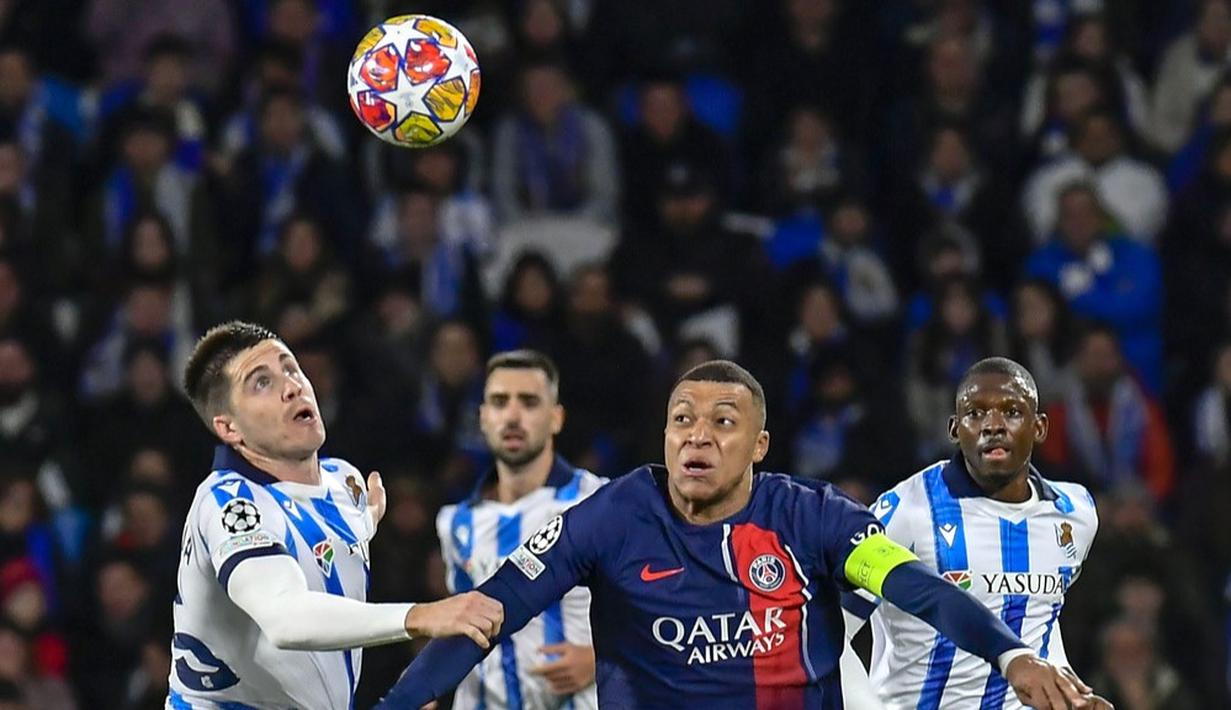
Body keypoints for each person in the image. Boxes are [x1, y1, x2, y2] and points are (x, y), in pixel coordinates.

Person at [379, 360, 1101, 709]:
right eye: (681, 420)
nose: (697, 436)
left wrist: (1011, 659)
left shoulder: (811, 517)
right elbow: (491, 607)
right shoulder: (609, 516)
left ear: (759, 444)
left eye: (722, 422)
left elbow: (916, 586)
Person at [168, 321, 503, 708]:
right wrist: (423, 616)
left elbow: (330, 563)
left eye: (290, 368)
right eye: (261, 383)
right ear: (229, 428)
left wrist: (367, 521)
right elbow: (287, 618)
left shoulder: (343, 482)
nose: (292, 386)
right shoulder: (228, 504)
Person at [842, 357, 1111, 709]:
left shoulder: (1076, 514)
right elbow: (831, 628)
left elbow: (1040, 613)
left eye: (1012, 411)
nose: (993, 426)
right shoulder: (907, 509)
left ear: (1040, 427)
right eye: (976, 413)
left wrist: (1067, 692)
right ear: (955, 429)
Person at [437, 350, 604, 708]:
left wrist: (601, 659)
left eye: (528, 402)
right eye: (499, 402)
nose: (512, 416)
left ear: (556, 418)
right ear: (482, 418)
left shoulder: (600, 502)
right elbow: (461, 629)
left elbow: (655, 609)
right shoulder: (454, 523)